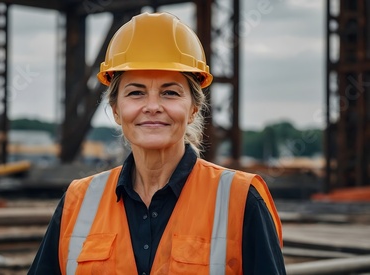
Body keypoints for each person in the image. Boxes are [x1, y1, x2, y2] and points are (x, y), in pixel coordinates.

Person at [28, 12, 285, 275]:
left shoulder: (241, 200)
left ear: (194, 108)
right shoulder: (77, 202)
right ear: (116, 109)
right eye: (136, 92)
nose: (152, 107)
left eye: (170, 93)